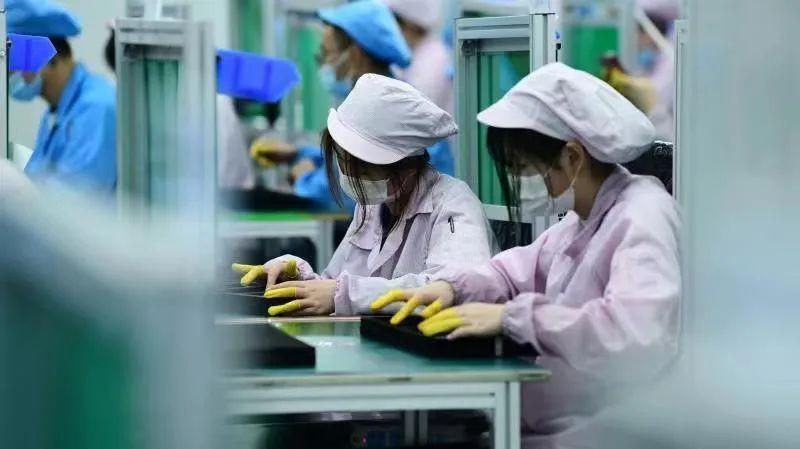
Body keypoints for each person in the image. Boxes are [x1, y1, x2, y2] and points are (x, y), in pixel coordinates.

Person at [374, 63, 681, 448]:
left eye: (524, 168)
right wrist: (451, 288)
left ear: (573, 156)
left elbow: (634, 337)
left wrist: (514, 317)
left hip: (602, 433)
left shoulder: (642, 217)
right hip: (546, 427)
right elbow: (514, 271)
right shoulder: (582, 220)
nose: (520, 182)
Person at [233, 74, 493, 317]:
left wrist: (343, 294)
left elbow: (454, 288)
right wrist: (297, 277)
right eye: (343, 162)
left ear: (407, 167)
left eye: (363, 169)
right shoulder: (374, 206)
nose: (350, 176)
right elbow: (336, 284)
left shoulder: (453, 204)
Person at [250, 0, 456, 208]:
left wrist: (304, 180)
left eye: (327, 54)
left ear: (355, 54)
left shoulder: (383, 110)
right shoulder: (374, 101)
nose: (324, 64)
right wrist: (299, 154)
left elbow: (352, 190)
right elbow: (348, 159)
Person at [8, 0, 116, 194]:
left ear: (47, 59)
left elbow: (74, 201)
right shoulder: (57, 113)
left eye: (12, 66)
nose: (9, 75)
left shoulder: (95, 109)